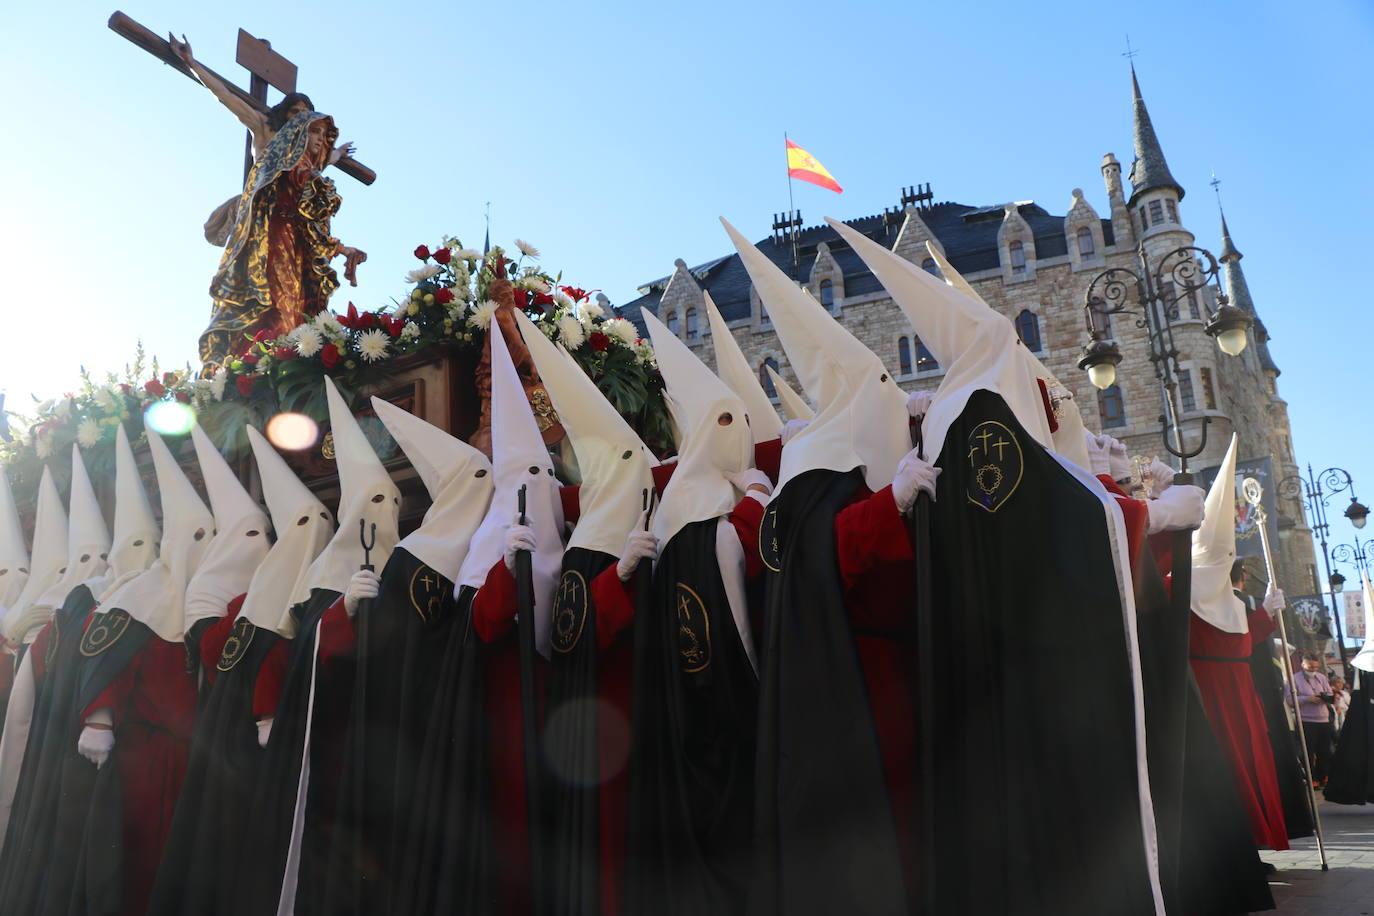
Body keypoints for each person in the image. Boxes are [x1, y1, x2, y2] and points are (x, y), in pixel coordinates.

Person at [832, 216, 1168, 915]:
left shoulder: (962, 414)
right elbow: (1068, 514)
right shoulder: (986, 409)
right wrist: (1140, 512)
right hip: (1026, 660)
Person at [623, 309, 771, 915]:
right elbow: (726, 561)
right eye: (725, 422)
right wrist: (758, 504)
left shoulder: (697, 502)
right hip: (702, 699)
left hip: (712, 698)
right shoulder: (696, 507)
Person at [200, 110, 366, 367]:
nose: (321, 139)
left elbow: (311, 224)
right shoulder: (287, 166)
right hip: (274, 243)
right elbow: (303, 210)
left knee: (295, 311)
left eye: (324, 134)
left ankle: (274, 362)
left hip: (296, 247)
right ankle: (260, 364)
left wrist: (340, 248)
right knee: (277, 307)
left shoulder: (304, 169)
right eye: (315, 131)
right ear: (298, 132)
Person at [166, 34, 355, 247]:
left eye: (305, 114)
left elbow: (328, 158)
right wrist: (191, 63)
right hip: (262, 204)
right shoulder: (265, 128)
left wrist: (339, 152)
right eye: (295, 112)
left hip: (288, 216)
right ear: (285, 113)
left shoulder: (305, 149)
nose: (300, 118)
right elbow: (224, 95)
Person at [1289, 652, 1336, 788]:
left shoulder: (1321, 677)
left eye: (1316, 667)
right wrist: (1307, 699)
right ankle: (1312, 778)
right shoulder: (1294, 679)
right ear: (1303, 665)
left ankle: (1324, 776)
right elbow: (1290, 700)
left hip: (1323, 719)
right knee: (1308, 751)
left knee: (1325, 751)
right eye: (1310, 667)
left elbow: (1329, 693)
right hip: (1306, 721)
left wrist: (1326, 697)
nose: (1313, 670)